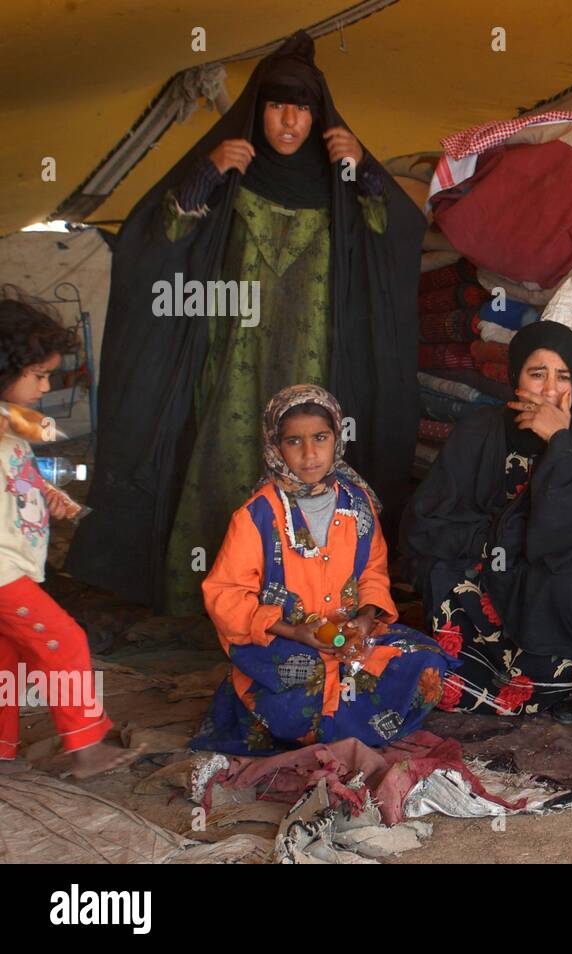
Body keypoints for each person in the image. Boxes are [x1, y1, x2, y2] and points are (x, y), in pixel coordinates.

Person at [66, 31, 425, 615]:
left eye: (303, 108)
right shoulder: (232, 175)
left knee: (305, 466)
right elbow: (160, 241)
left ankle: (299, 602)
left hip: (313, 362)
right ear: (256, 111)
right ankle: (214, 598)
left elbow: (398, 237)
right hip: (230, 358)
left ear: (319, 117)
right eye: (277, 106)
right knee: (227, 462)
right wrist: (205, 173)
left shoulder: (341, 186)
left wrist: (365, 173)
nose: (289, 120)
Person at [399, 322, 572, 717]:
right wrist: (503, 543)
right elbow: (428, 521)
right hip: (493, 569)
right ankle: (491, 675)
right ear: (515, 378)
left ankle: (563, 684)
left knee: (569, 584)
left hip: (564, 578)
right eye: (537, 374)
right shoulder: (480, 429)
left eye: (562, 376)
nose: (549, 389)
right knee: (439, 567)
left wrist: (560, 442)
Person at [191, 385, 450, 755]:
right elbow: (226, 595)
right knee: (306, 674)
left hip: (348, 638)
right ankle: (334, 725)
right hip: (285, 643)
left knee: (426, 661)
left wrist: (362, 620)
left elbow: (373, 573)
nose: (310, 454)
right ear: (275, 446)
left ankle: (336, 724)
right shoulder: (257, 516)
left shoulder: (357, 505)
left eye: (320, 438)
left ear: (337, 439)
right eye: (294, 441)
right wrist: (293, 629)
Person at [0, 295, 140, 778]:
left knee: (7, 662)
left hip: (13, 570)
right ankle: (85, 741)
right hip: (1, 575)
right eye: (38, 375)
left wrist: (46, 495)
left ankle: (1, 750)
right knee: (64, 640)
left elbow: (16, 473)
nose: (46, 386)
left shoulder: (11, 434)